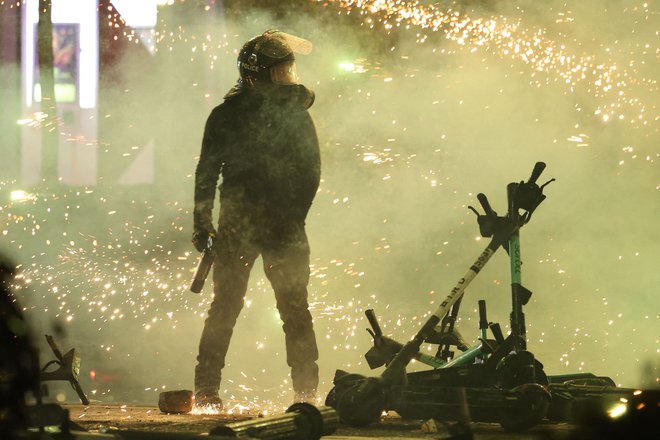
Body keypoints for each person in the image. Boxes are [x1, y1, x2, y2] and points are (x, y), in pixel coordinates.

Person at [191, 29, 320, 409]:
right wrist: (203, 222)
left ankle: (306, 394)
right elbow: (206, 173)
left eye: (288, 70)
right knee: (226, 308)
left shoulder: (294, 113)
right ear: (256, 74)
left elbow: (310, 171)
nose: (286, 77)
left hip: (274, 226)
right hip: (239, 226)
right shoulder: (225, 117)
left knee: (294, 308)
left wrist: (292, 217)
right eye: (279, 71)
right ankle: (206, 392)